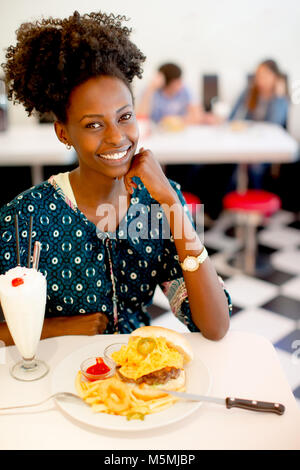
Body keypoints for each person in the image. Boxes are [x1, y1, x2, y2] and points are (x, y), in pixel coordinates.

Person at [0, 11, 231, 346]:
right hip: (56, 386)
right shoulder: (26, 217)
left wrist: (170, 202)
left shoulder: (156, 204)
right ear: (63, 133)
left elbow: (214, 325)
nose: (116, 137)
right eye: (94, 124)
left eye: (124, 117)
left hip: (137, 377)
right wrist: (60, 327)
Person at [228, 59, 289, 189]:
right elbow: (232, 116)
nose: (261, 79)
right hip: (248, 140)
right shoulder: (250, 92)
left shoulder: (280, 97)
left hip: (268, 144)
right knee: (229, 163)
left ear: (275, 77)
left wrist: (278, 97)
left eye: (265, 75)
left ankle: (257, 200)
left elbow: (275, 124)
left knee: (255, 167)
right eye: (258, 75)